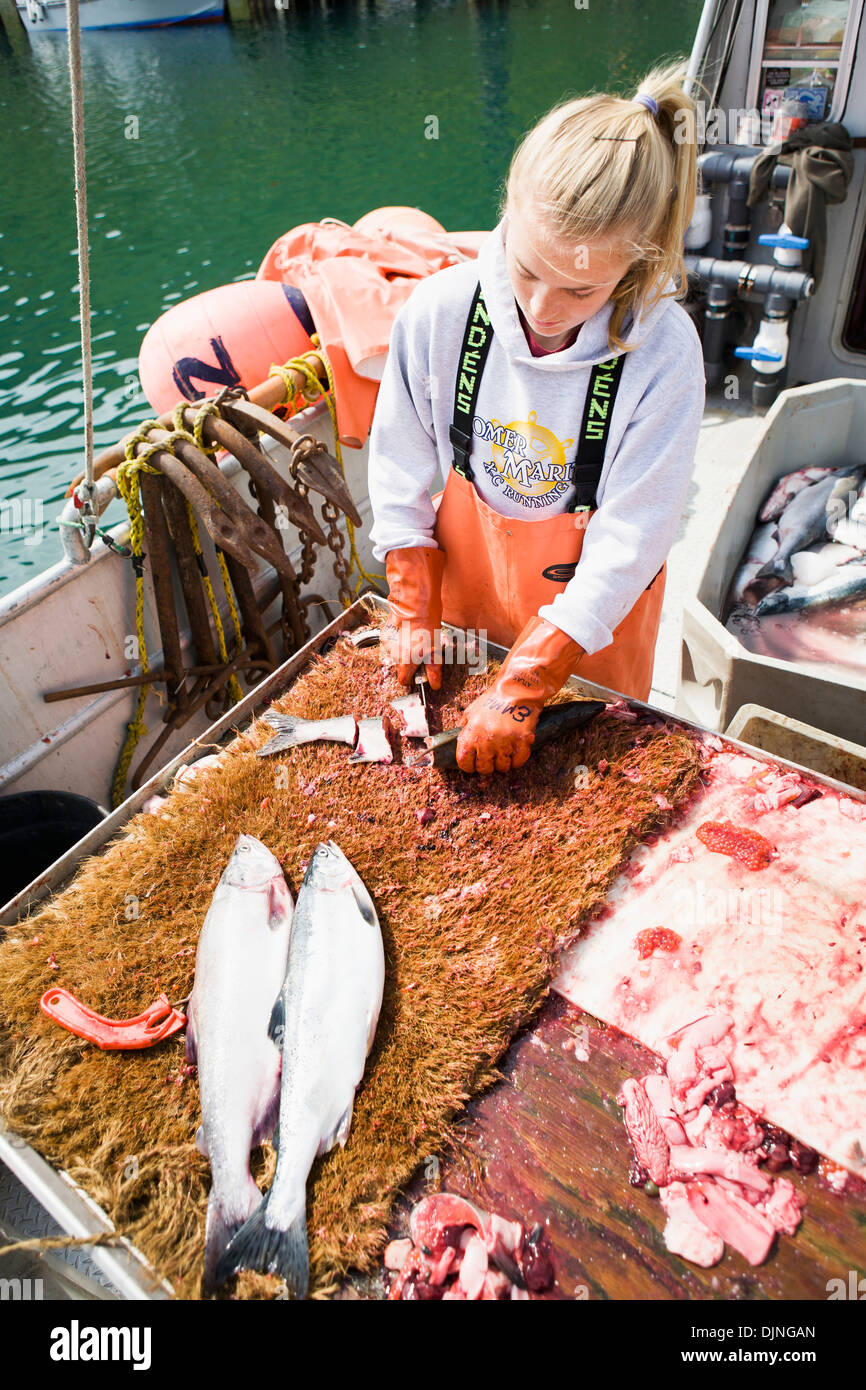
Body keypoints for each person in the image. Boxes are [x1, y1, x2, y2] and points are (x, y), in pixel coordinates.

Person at [368, 63, 705, 774]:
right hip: (468, 599)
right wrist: (411, 604)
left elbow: (633, 537)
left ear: (637, 263)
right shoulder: (439, 311)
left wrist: (525, 684)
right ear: (508, 214)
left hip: (592, 630)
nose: (543, 309)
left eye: (580, 288)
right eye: (526, 269)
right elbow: (399, 461)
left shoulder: (664, 354)